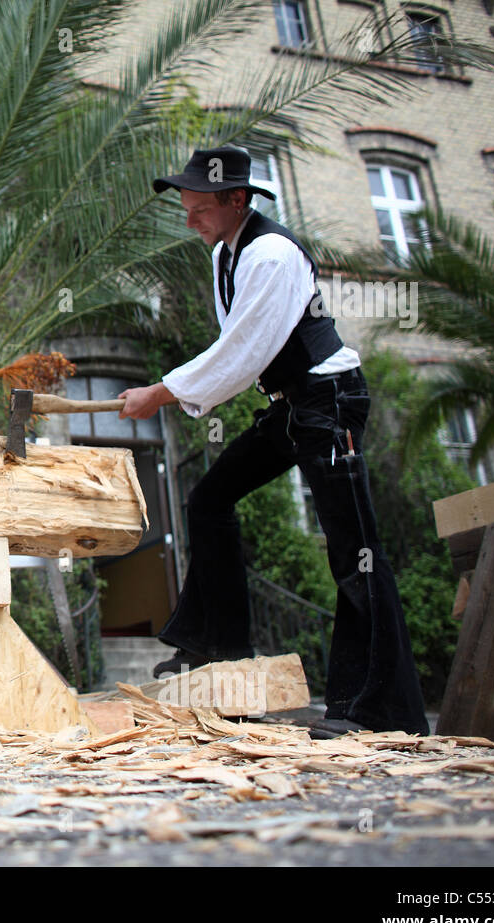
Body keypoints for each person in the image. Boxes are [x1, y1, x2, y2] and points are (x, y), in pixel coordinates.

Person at [118, 146, 429, 738]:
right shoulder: (224, 256)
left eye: (199, 208)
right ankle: (220, 650)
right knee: (209, 499)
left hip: (328, 401)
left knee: (354, 550)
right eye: (185, 208)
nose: (189, 219)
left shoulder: (272, 253)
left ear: (237, 200)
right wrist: (176, 390)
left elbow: (242, 352)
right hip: (289, 407)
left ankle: (376, 710)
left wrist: (159, 393)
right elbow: (238, 346)